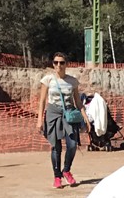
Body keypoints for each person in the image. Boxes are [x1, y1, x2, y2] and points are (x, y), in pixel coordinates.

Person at [36, 51, 87, 188]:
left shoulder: (72, 81)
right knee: (55, 146)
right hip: (53, 113)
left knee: (72, 144)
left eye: (62, 62)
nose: (59, 65)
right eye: (56, 62)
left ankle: (66, 170)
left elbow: (78, 101)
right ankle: (57, 176)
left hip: (69, 113)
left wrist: (86, 118)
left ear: (66, 64)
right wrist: (39, 120)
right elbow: (42, 101)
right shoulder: (48, 80)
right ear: (53, 64)